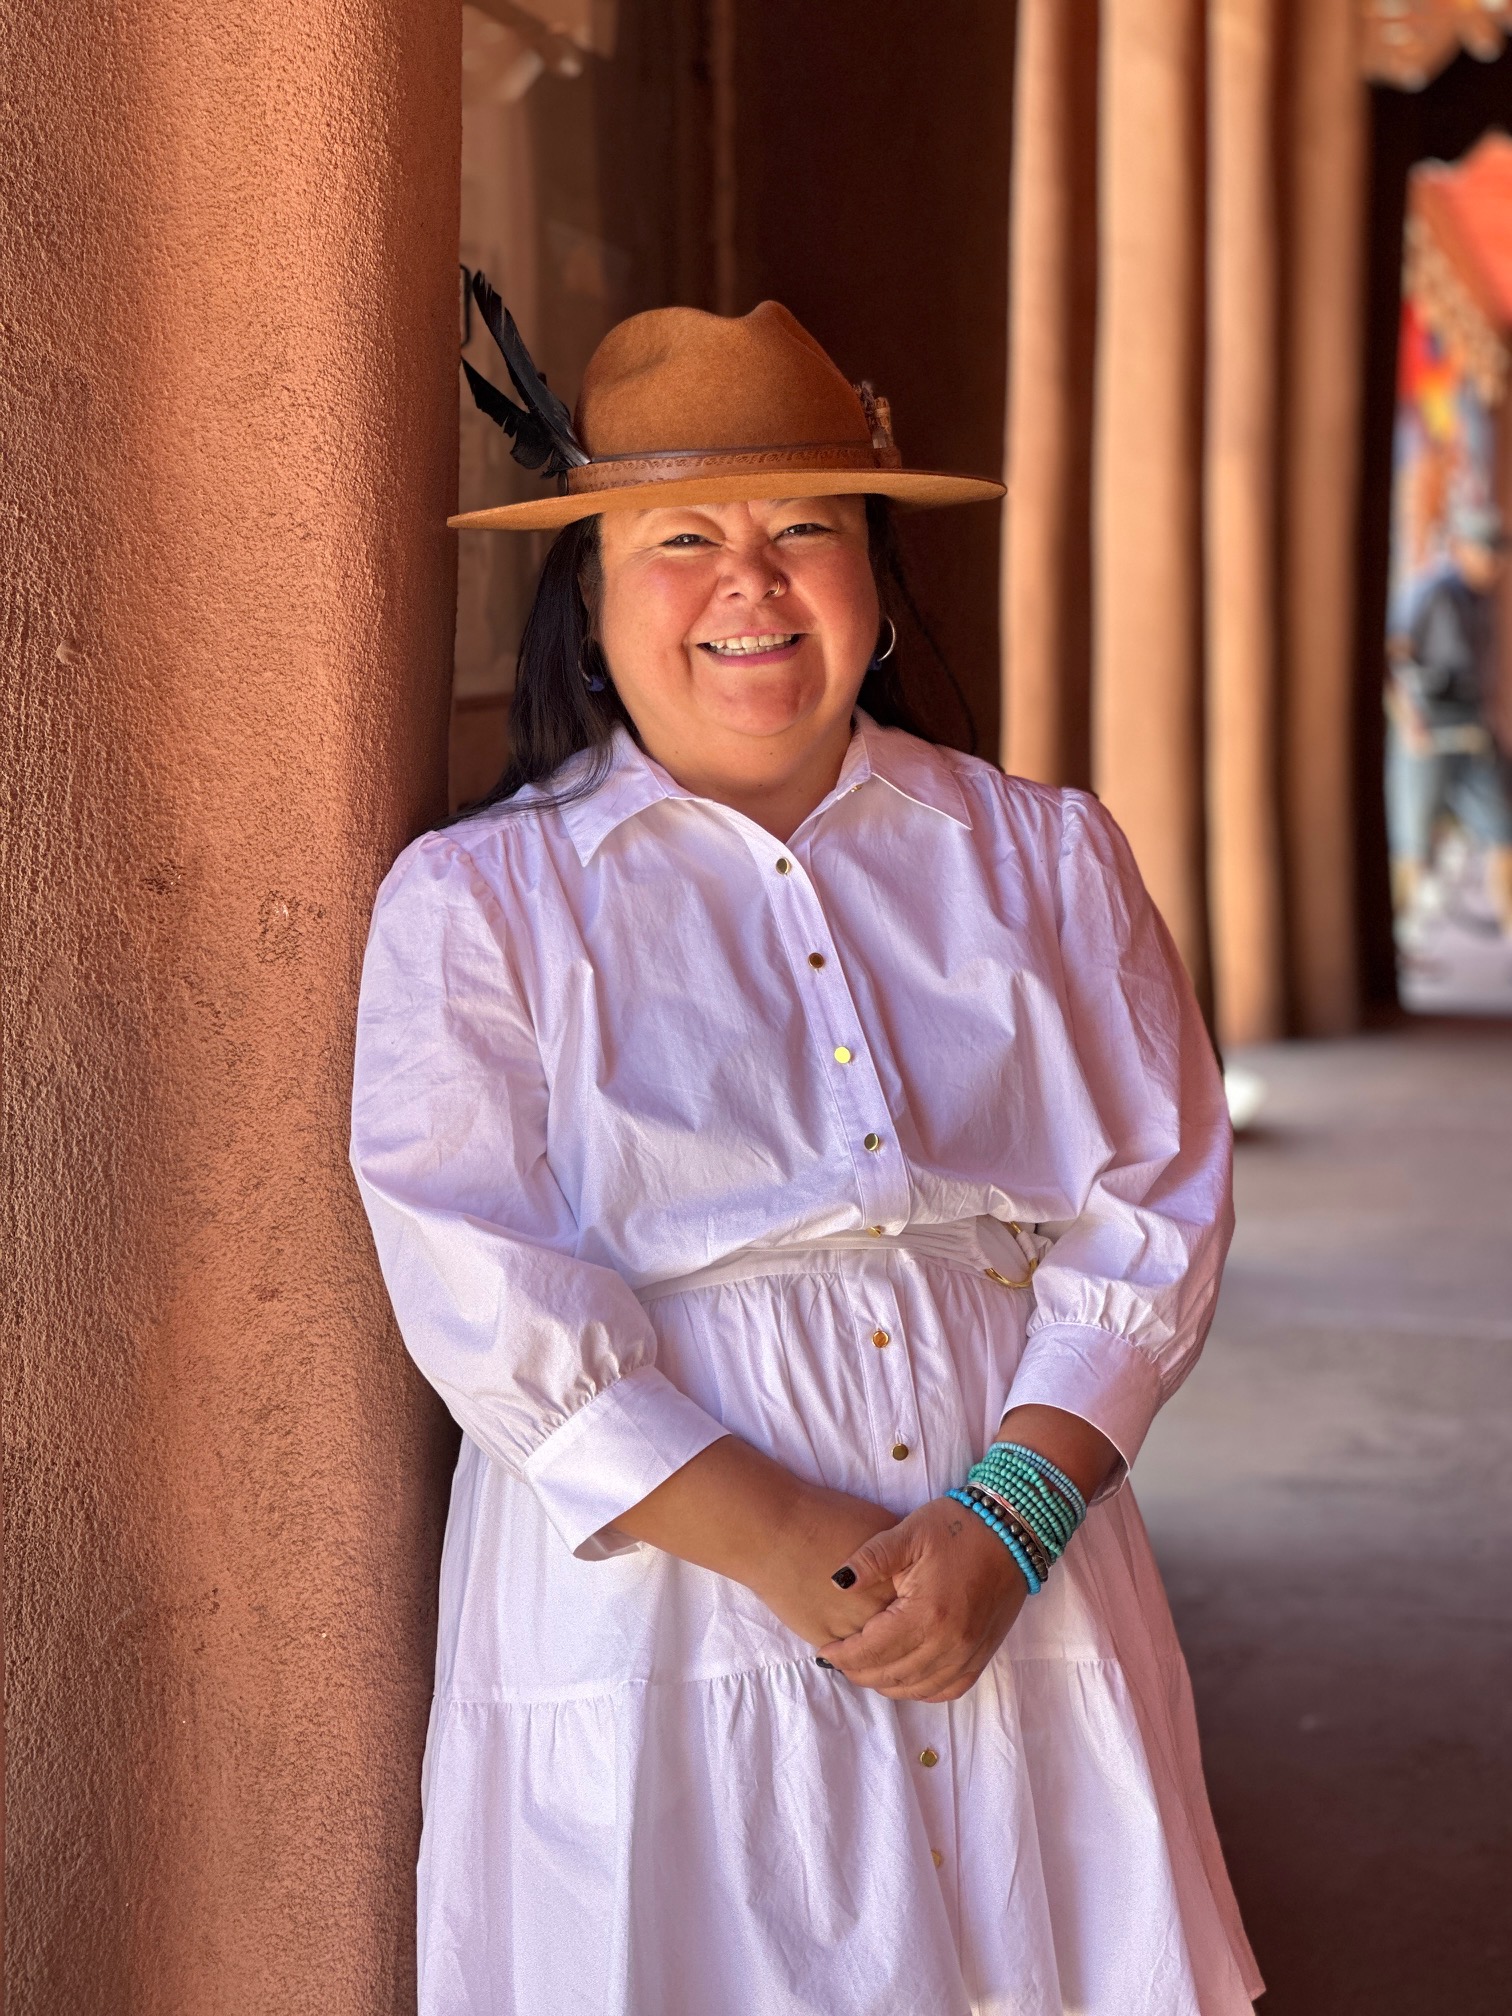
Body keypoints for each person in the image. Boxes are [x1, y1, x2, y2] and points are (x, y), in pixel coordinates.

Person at [350, 288, 1262, 2016]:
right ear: (591, 597)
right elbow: (479, 1285)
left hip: (1017, 1573)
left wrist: (1005, 1521)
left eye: (806, 531)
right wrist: (793, 1550)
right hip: (671, 1607)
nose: (750, 584)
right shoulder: (482, 906)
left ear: (875, 578)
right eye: (682, 539)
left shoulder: (1042, 859)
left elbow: (1153, 1199)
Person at [1386, 500, 1512, 940]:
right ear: (1460, 548)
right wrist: (1409, 721)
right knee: (1412, 844)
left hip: (1471, 729)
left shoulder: (1482, 599)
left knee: (1503, 832)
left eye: (1499, 552)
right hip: (1428, 728)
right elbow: (1392, 658)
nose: (1494, 562)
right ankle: (1395, 938)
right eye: (1486, 550)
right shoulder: (1431, 591)